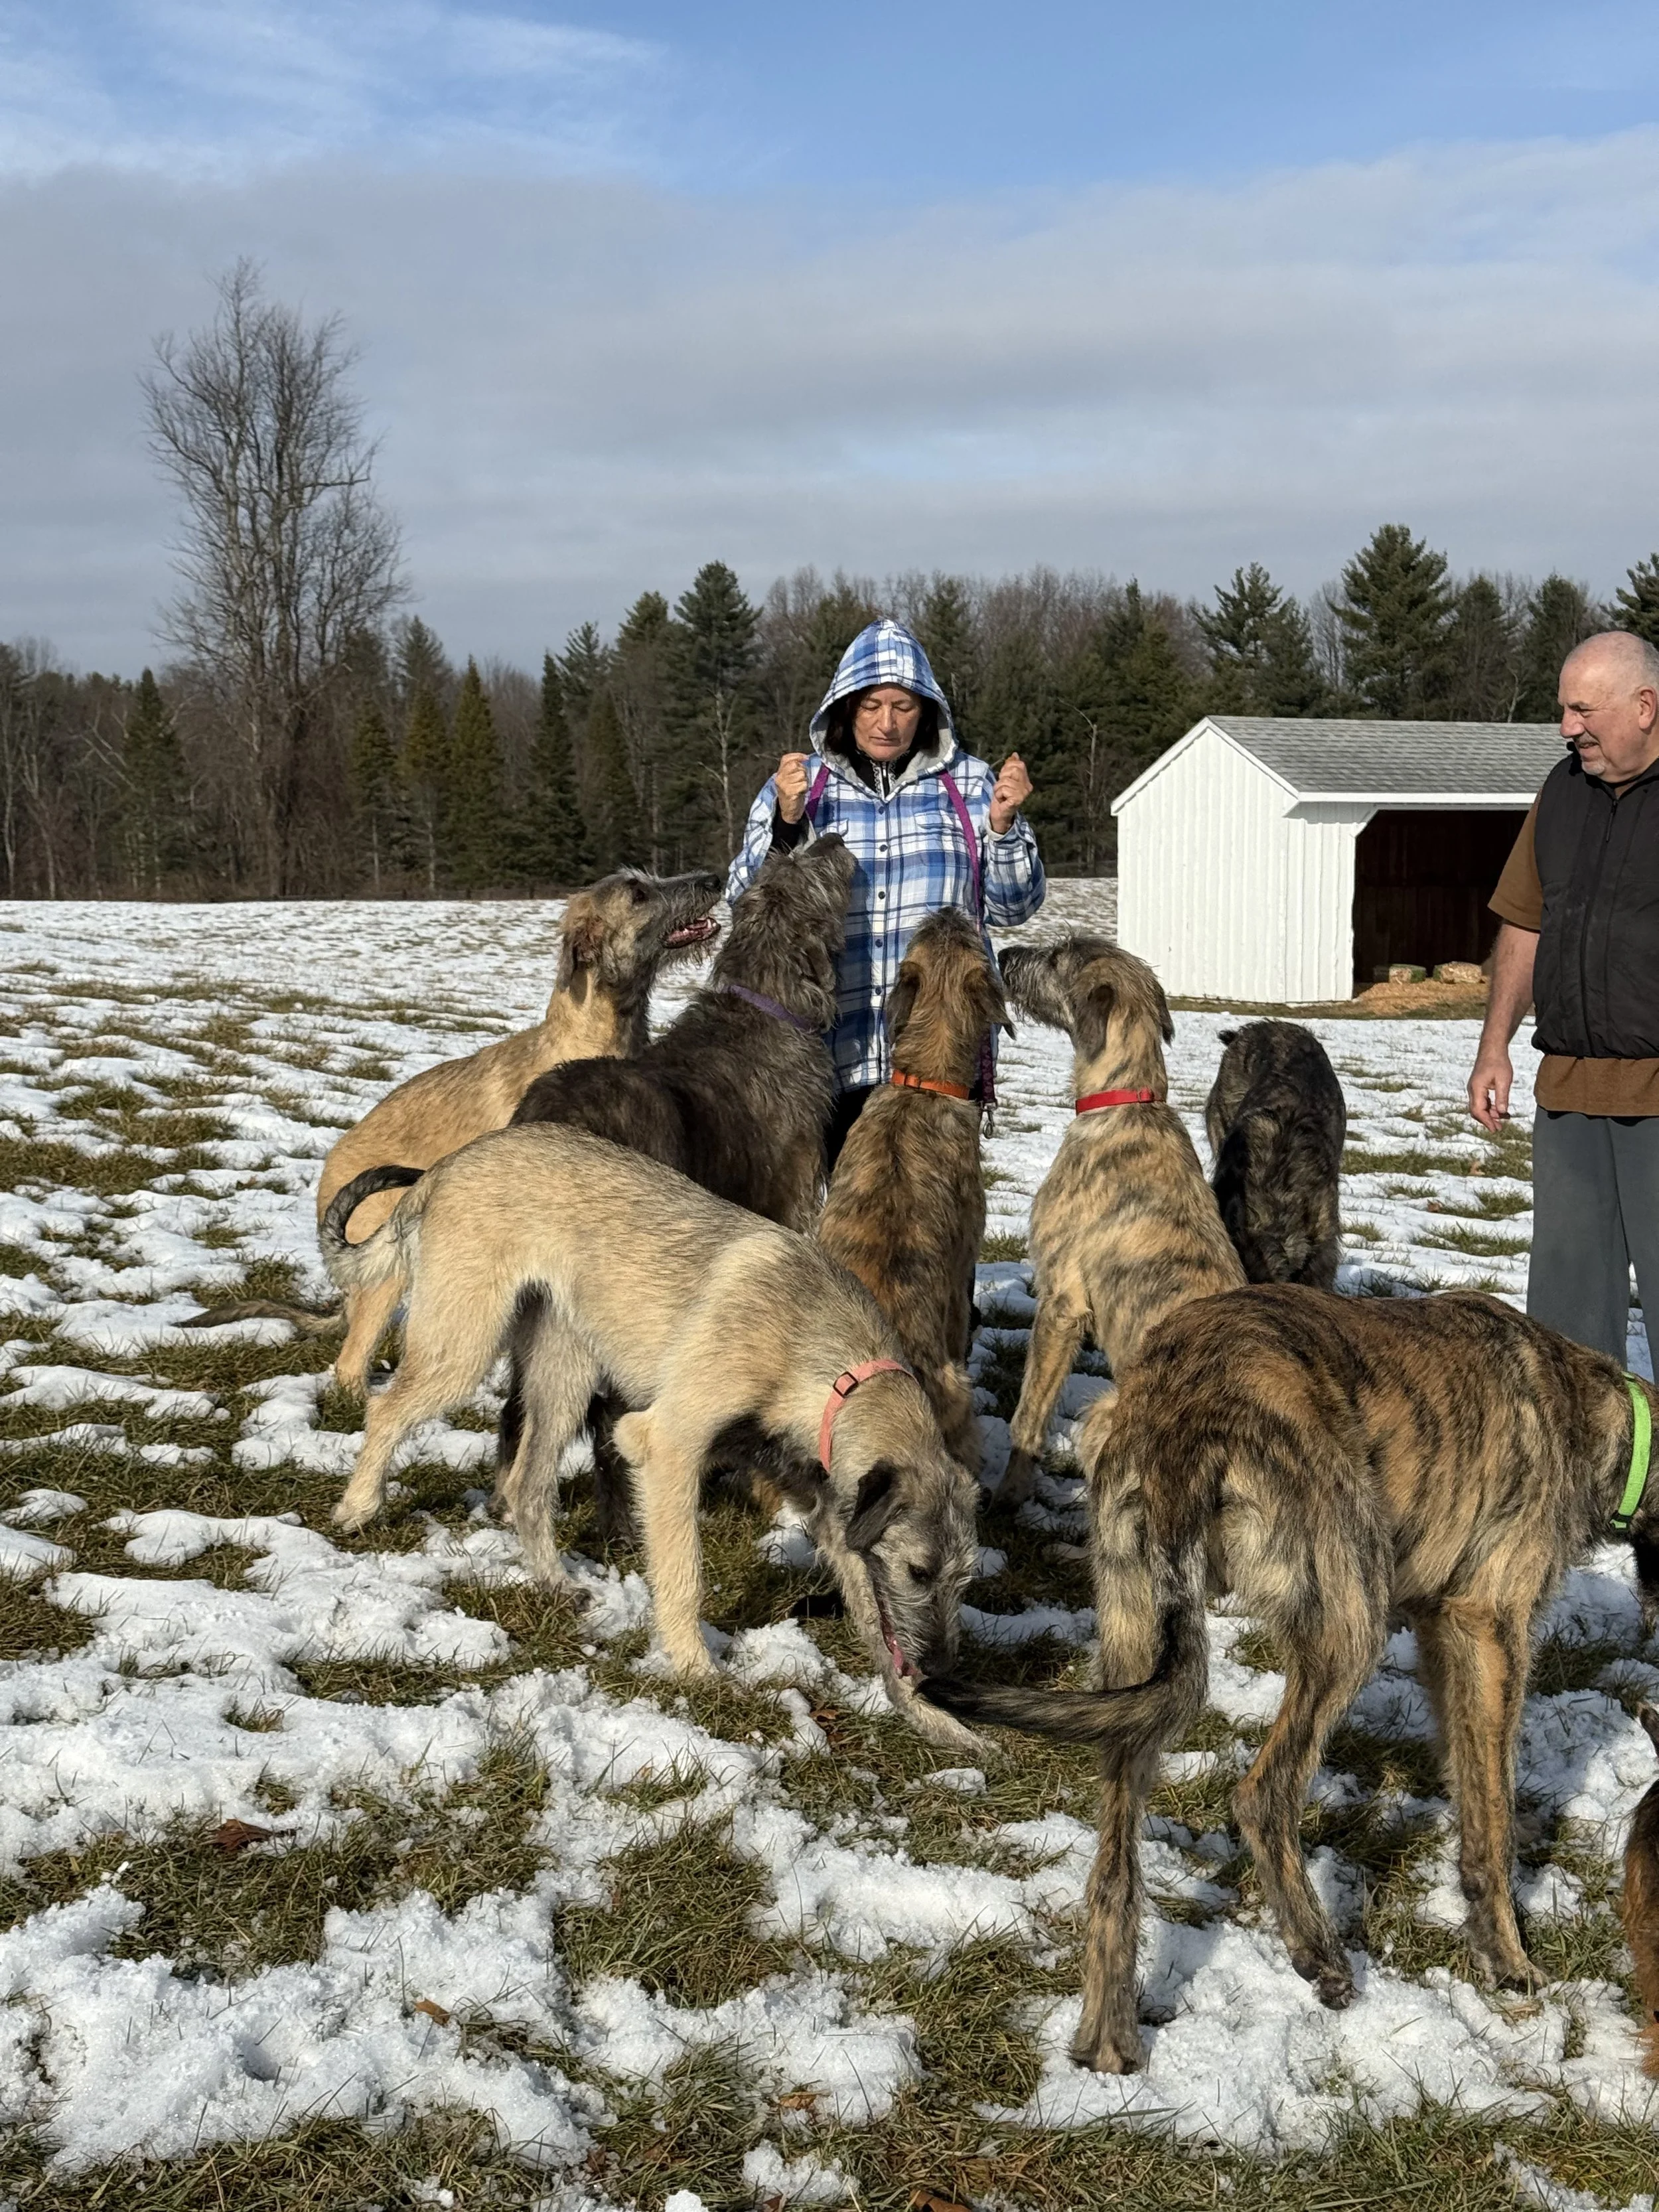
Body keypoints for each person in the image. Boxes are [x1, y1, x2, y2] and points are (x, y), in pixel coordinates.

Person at [728, 618, 1045, 1163]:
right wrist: (787, 823)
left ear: (926, 711)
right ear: (845, 707)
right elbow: (744, 901)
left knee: (935, 1225)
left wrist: (1003, 825)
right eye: (871, 705)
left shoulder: (970, 784)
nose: (886, 722)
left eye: (903, 706)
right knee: (840, 1229)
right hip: (828, 1052)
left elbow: (1014, 906)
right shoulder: (804, 785)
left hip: (938, 1056)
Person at [1468, 629, 1659, 1363]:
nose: (1565, 727)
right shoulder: (1560, 791)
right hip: (1570, 1092)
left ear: (1644, 706)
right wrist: (1494, 1048)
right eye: (1562, 709)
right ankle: (1588, 1476)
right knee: (1565, 1333)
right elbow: (1524, 918)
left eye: (1583, 709)